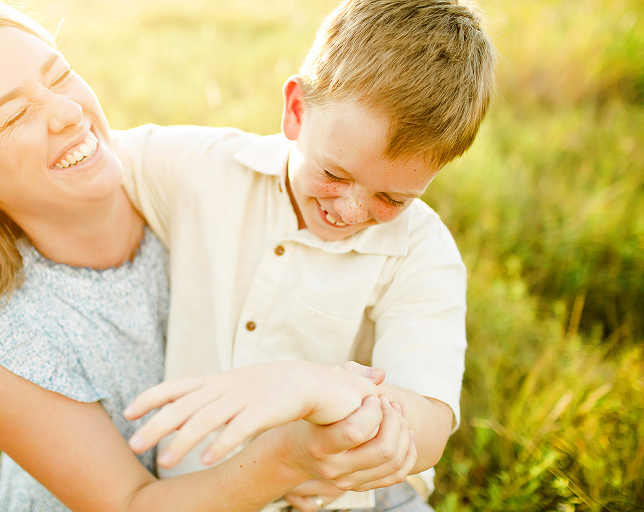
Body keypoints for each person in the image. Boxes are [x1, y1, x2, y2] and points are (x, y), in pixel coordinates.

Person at [0, 1, 418, 511]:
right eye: (13, 113)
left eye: (59, 74)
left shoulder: (187, 185)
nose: (67, 111)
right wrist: (295, 457)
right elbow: (131, 503)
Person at [111, 0, 497, 510]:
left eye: (392, 199)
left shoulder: (421, 251)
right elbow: (81, 161)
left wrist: (317, 387)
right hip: (196, 490)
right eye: (335, 175)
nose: (351, 208)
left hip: (351, 500)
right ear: (296, 110)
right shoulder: (201, 170)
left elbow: (428, 426)